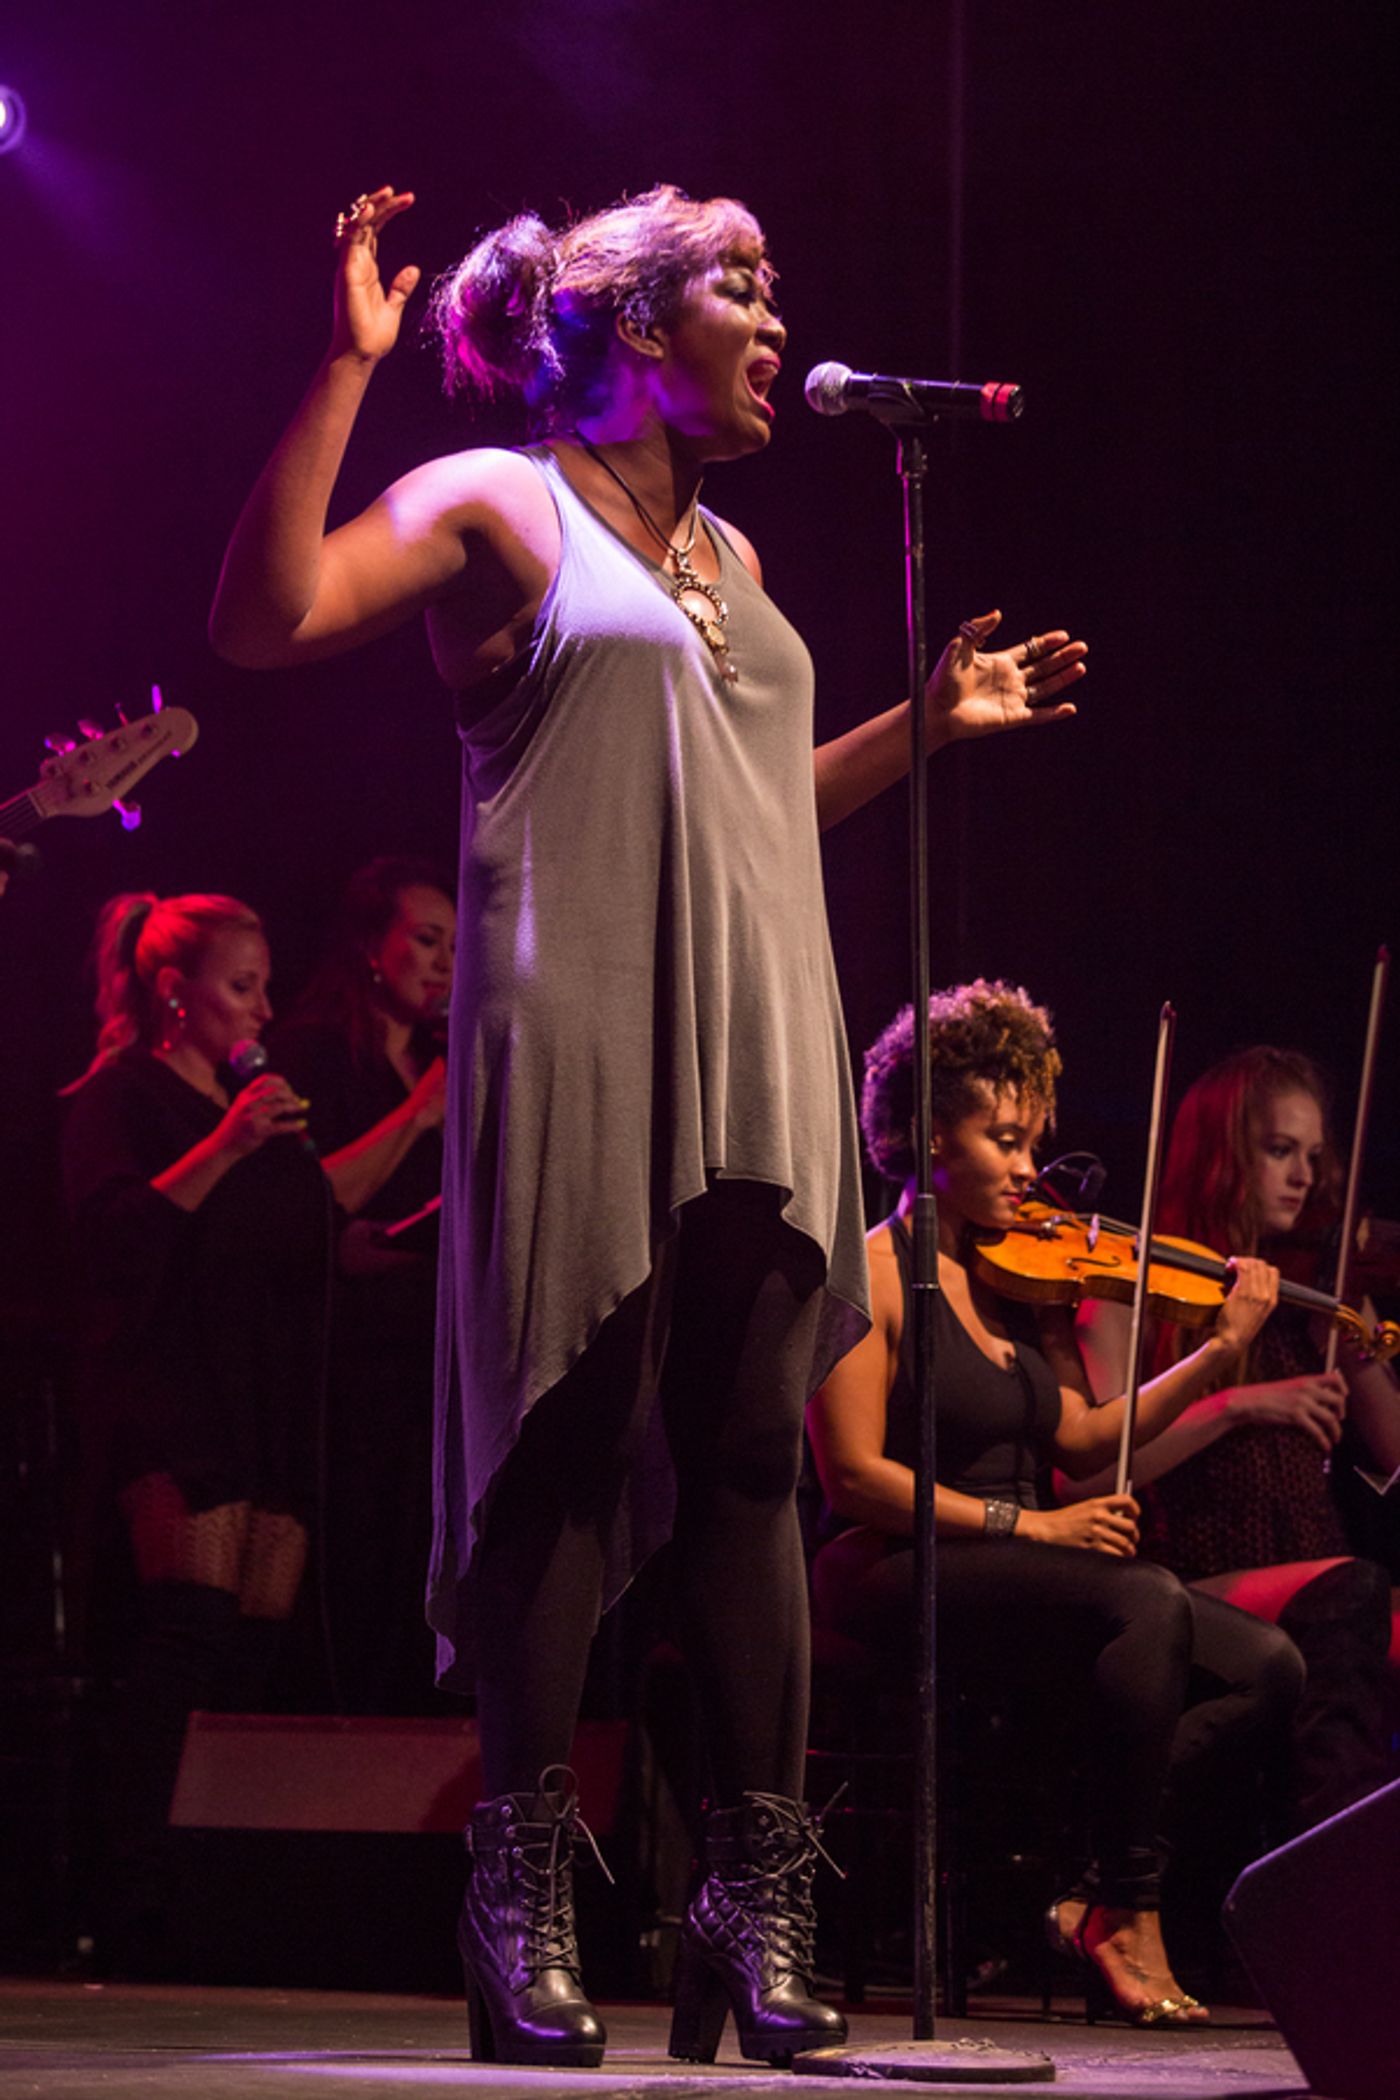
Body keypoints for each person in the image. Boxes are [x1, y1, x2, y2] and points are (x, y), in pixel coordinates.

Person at [208, 180, 1086, 2067]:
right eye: (741, 286)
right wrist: (349, 370)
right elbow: (266, 618)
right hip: (591, 1027)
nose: (777, 320)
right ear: (630, 318)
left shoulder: (742, 560)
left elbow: (759, 811)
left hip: (761, 1026)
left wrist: (920, 727)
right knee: (568, 1463)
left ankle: (745, 1910)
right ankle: (522, 1890)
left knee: (754, 1469)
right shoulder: (499, 502)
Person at [806, 982, 1305, 2025]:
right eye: (1001, 1138)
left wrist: (1218, 1353)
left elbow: (1082, 1438)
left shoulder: (1016, 1281)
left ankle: (1088, 1880)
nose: (1029, 1167)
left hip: (1028, 1561)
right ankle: (1128, 1909)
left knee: (1268, 1666)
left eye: (1031, 1138)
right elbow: (850, 1475)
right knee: (1147, 1601)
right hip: (897, 1561)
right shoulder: (868, 1275)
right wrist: (1031, 1526)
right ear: (923, 1131)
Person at [61, 891, 332, 1971]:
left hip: (257, 1388)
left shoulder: (251, 1105)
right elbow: (114, 1244)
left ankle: (216, 1894)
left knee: (255, 1644)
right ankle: (131, 1892)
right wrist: (226, 1142)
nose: (260, 1005)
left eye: (263, 983)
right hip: (168, 1389)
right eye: (239, 985)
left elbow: (309, 1224)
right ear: (172, 990)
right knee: (187, 1629)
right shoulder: (113, 1097)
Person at [1075, 1046, 1400, 1829]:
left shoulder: (1308, 1299)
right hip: (1193, 1577)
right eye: (1279, 1150)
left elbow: (1394, 1452)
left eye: (1315, 1157)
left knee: (1352, 1597)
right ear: (1224, 1155)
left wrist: (1355, 1327)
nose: (1305, 1177)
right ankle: (1324, 1894)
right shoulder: (1138, 1287)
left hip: (1317, 1580)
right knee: (1351, 1591)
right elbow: (1091, 1475)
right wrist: (1242, 1404)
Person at [271, 855, 455, 1711]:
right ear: (370, 948)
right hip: (349, 1366)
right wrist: (420, 1111)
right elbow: (307, 1211)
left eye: (456, 944)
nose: (446, 962)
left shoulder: (441, 1057)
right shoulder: (312, 1055)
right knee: (364, 1558)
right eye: (426, 940)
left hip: (433, 1353)